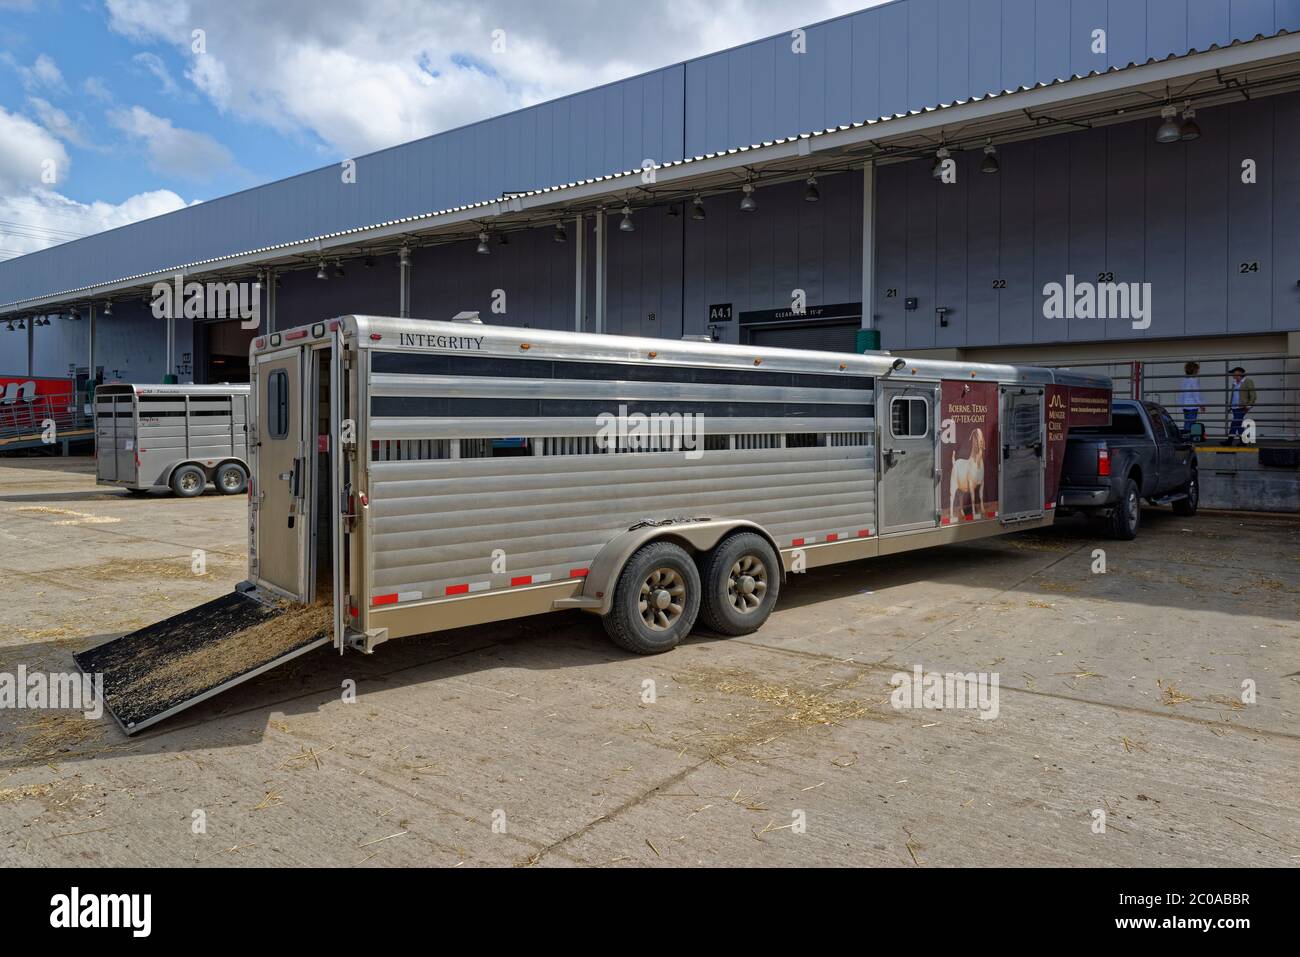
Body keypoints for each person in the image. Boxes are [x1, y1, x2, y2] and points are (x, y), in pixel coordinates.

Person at [1227, 365, 1257, 444]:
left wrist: (1249, 405)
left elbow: (1253, 395)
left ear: (1239, 373)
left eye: (1234, 373)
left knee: (1235, 422)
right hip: (1234, 407)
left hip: (1242, 406)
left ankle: (1229, 440)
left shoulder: (1247, 381)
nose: (1233, 375)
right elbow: (1234, 395)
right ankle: (1243, 441)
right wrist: (1230, 406)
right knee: (1238, 423)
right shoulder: (1234, 383)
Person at [1177, 361, 1204, 437]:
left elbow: (1182, 394)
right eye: (1197, 370)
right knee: (1191, 423)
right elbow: (1196, 394)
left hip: (1185, 406)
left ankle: (1185, 437)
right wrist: (1201, 404)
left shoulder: (1184, 381)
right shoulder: (1194, 381)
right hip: (1192, 405)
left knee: (1187, 422)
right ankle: (1189, 438)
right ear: (1194, 370)